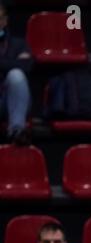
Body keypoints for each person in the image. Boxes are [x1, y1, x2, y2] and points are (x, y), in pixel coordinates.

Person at [0, 1, 32, 145]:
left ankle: (16, 132)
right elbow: (19, 62)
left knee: (16, 75)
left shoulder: (18, 44)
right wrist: (11, 62)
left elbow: (27, 66)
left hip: (9, 101)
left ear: (5, 21)